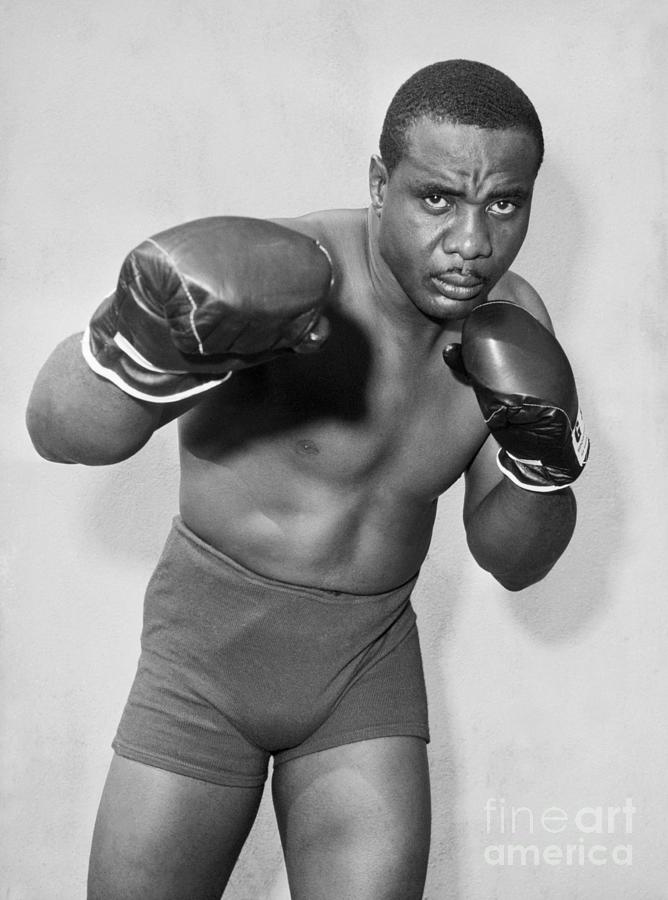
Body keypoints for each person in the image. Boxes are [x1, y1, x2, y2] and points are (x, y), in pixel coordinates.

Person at [26, 59, 589, 900]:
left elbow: (515, 559)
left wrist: (544, 467)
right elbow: (57, 431)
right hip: (206, 659)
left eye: (503, 203)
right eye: (438, 197)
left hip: (364, 667)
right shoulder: (285, 279)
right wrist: (139, 340)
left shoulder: (514, 328)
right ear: (379, 182)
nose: (473, 241)